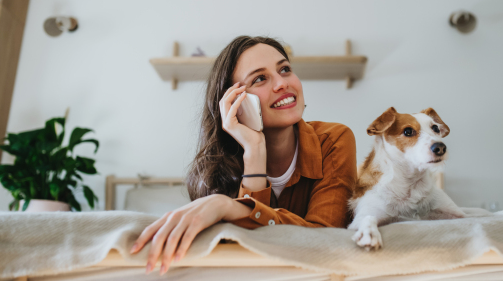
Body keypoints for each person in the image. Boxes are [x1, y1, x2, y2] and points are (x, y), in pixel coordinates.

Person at [130, 36, 357, 275]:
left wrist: (232, 207)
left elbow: (326, 238)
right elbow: (245, 252)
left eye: (285, 69)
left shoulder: (334, 139)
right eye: (260, 78)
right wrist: (255, 151)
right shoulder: (216, 167)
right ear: (234, 102)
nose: (282, 83)